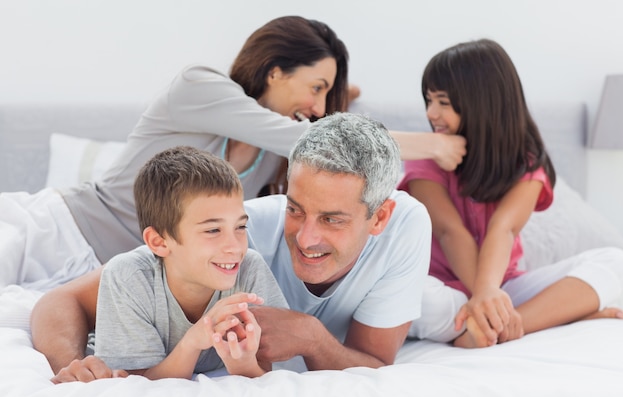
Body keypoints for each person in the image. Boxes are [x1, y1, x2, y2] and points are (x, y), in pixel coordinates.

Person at [1, 15, 464, 294]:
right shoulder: (198, 86)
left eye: (327, 97)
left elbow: (318, 136)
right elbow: (323, 137)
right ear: (276, 70)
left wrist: (329, 96)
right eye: (315, 88)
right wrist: (436, 145)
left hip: (106, 272)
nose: (320, 108)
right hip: (55, 230)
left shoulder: (271, 155)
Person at [32, 112, 448, 382]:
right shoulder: (237, 233)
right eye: (296, 209)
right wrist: (72, 367)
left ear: (379, 218)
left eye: (332, 219)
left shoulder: (405, 226)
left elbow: (376, 365)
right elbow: (63, 299)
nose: (305, 238)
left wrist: (311, 337)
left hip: (403, 307)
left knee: (455, 316)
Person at [398, 39, 623, 348]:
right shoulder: (427, 154)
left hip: (503, 288)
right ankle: (546, 318)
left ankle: (498, 328)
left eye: (443, 102)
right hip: (448, 290)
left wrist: (489, 293)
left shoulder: (526, 162)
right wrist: (480, 295)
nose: (431, 113)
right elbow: (449, 231)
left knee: (616, 262)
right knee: (417, 297)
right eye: (429, 101)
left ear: (480, 101)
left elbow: (503, 229)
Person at [91, 146, 289, 381]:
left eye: (240, 227)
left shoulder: (249, 270)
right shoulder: (129, 277)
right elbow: (137, 384)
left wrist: (244, 365)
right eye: (213, 230)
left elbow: (273, 374)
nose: (235, 247)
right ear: (159, 242)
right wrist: (193, 342)